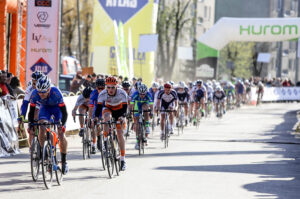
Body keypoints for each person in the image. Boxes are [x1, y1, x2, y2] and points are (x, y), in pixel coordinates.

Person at [28, 76, 69, 174]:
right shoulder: (34, 94)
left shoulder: (56, 92)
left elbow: (64, 112)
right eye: (39, 92)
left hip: (57, 110)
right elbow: (31, 111)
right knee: (41, 127)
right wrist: (30, 124)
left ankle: (64, 161)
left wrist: (62, 125)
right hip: (45, 109)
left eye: (43, 92)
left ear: (49, 89)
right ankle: (43, 154)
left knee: (61, 134)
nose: (41, 94)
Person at [94, 76, 128, 171]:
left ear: (116, 86)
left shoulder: (122, 93)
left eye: (113, 87)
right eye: (108, 87)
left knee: (120, 134)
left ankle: (122, 159)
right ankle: (105, 139)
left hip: (120, 111)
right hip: (108, 109)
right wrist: (96, 117)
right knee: (106, 118)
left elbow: (125, 108)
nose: (110, 89)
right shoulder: (103, 94)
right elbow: (99, 108)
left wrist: (123, 116)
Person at [130, 84, 153, 150]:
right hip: (137, 104)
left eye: (143, 94)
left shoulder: (149, 95)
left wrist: (151, 112)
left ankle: (147, 125)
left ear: (146, 93)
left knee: (145, 108)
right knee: (137, 123)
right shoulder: (135, 94)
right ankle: (137, 142)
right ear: (138, 92)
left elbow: (151, 106)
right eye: (141, 94)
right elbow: (131, 105)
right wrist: (130, 112)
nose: (142, 95)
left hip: (145, 103)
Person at [72, 87, 95, 152]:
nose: (87, 100)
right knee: (81, 111)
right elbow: (75, 109)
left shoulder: (95, 96)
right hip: (84, 106)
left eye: (88, 98)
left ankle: (94, 144)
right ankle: (82, 128)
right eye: (85, 98)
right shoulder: (80, 98)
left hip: (92, 107)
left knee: (93, 125)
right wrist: (73, 112)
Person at [89, 78, 106, 151]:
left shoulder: (107, 92)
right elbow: (91, 107)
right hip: (97, 108)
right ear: (96, 87)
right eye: (99, 88)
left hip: (105, 107)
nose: (100, 90)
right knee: (94, 124)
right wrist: (91, 118)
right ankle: (96, 141)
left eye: (102, 88)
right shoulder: (93, 93)